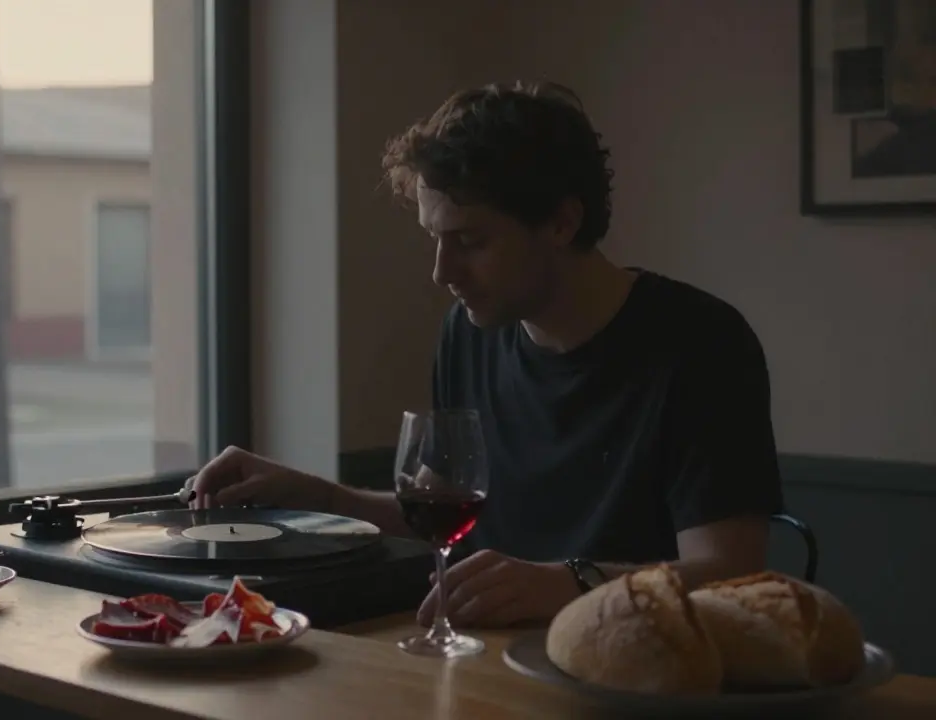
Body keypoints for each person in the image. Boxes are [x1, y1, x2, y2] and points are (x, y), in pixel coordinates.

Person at [187, 80, 783, 629]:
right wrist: (321, 498)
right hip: (492, 666)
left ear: (561, 222)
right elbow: (438, 514)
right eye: (434, 238)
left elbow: (728, 574)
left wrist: (569, 586)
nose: (442, 271)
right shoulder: (468, 333)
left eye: (469, 241)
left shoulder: (701, 344)